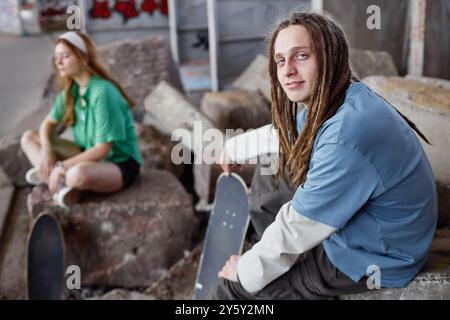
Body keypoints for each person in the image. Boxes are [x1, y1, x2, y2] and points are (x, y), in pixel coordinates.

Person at [212, 12, 438, 300]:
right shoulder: (343, 97)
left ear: (331, 58)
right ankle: (265, 249)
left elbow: (298, 226)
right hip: (369, 224)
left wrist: (245, 271)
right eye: (280, 60)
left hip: (373, 254)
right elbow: (290, 132)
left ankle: (267, 267)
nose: (287, 70)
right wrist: (236, 148)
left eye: (301, 56)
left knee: (231, 291)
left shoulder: (348, 134)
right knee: (270, 164)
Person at [20, 31, 142, 208]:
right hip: (84, 153)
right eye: (56, 58)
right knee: (29, 138)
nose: (59, 62)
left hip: (118, 164)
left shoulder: (103, 92)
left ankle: (58, 179)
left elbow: (103, 150)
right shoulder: (72, 90)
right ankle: (61, 185)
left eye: (65, 56)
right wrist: (46, 149)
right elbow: (48, 124)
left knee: (76, 175)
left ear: (84, 57)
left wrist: (61, 167)